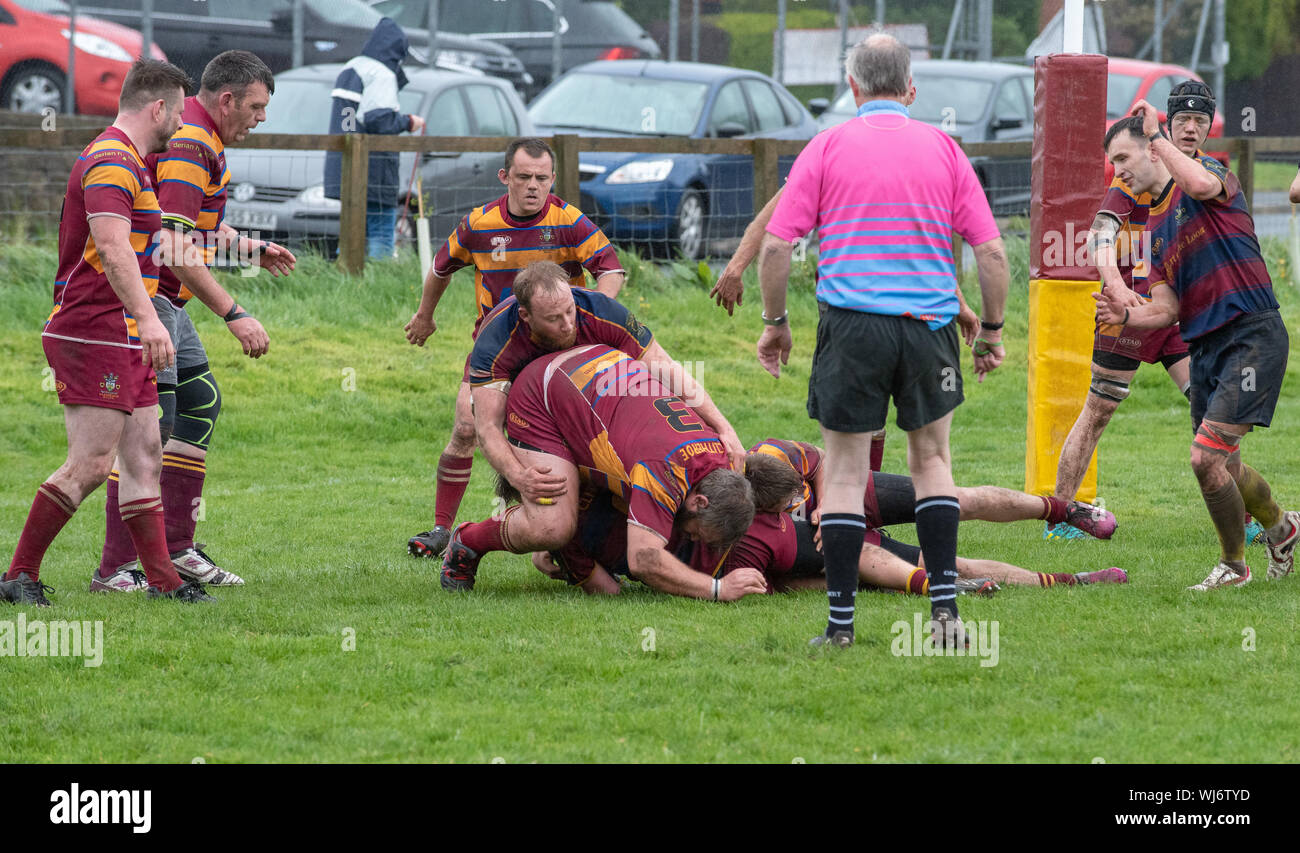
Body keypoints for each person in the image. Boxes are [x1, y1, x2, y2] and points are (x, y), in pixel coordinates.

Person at [755, 34, 1010, 648]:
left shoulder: (825, 146)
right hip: (930, 329)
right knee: (933, 464)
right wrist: (992, 331)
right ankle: (946, 618)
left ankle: (840, 626)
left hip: (851, 325)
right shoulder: (946, 149)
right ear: (911, 88)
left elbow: (774, 246)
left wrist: (775, 321)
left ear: (853, 88)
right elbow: (993, 252)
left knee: (842, 474)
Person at [2, 60, 212, 606]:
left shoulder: (135, 161)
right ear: (158, 108)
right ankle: (18, 576)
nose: (184, 125)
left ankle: (165, 583)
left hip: (118, 332)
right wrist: (148, 319)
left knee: (144, 457)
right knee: (92, 464)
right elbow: (114, 248)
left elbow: (151, 246)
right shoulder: (113, 161)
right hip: (93, 330)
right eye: (180, 114)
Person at [93, 50, 295, 593]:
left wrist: (250, 248)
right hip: (151, 300)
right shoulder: (192, 142)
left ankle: (176, 547)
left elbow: (191, 225)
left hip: (168, 303)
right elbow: (172, 245)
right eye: (255, 107)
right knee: (149, 428)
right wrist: (235, 312)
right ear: (226, 99)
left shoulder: (206, 139)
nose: (261, 118)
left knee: (197, 405)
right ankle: (117, 566)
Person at [1095, 112, 1298, 589]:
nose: (1117, 170)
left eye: (1123, 157)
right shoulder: (1153, 228)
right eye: (1112, 162)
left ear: (1150, 147)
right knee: (1225, 465)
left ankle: (1233, 566)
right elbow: (1165, 309)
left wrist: (1160, 139)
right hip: (1205, 347)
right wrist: (1126, 314)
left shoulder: (1207, 171)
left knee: (1204, 459)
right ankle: (1283, 530)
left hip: (1251, 333)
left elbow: (1203, 188)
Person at [404, 139, 625, 559]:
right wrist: (424, 317)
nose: (533, 186)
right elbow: (439, 269)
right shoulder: (479, 224)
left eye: (542, 178)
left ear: (553, 180)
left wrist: (589, 316)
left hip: (556, 350)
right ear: (505, 177)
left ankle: (575, 529)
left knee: (577, 435)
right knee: (467, 427)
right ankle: (440, 529)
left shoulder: (569, 221)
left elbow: (610, 270)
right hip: (495, 347)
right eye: (523, 177)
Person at [439, 344, 766, 600]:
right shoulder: (666, 470)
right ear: (701, 501)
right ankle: (467, 540)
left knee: (596, 538)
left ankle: (559, 542)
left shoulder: (724, 459)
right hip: (543, 394)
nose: (693, 538)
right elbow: (644, 559)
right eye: (698, 532)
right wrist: (717, 590)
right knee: (552, 527)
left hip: (595, 371)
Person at [1049, 80, 1219, 542]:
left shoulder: (1200, 175)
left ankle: (1240, 517)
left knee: (1210, 409)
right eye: (1181, 120)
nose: (1189, 129)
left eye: (1198, 121)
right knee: (1099, 408)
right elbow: (1099, 235)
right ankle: (1062, 518)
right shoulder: (1134, 178)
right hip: (1130, 312)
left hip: (1176, 314)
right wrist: (1118, 285)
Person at [463, 261, 746, 518]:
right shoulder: (494, 345)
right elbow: (487, 428)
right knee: (465, 431)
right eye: (553, 319)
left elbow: (665, 367)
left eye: (569, 311)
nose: (566, 324)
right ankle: (461, 535)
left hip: (587, 400)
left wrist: (723, 427)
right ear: (525, 315)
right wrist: (517, 475)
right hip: (528, 408)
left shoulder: (601, 311)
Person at [747, 438, 1116, 539]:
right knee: (942, 565)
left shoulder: (774, 453)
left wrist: (828, 507)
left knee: (956, 502)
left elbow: (824, 460)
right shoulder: (741, 520)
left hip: (852, 492)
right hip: (838, 547)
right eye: (791, 502)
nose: (799, 501)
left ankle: (1063, 510)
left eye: (799, 491)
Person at [324, 17, 426, 259]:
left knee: (350, 234)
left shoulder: (352, 67)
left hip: (346, 165)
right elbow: (379, 119)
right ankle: (379, 280)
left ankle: (345, 281)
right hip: (375, 170)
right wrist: (408, 122)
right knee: (381, 231)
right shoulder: (382, 74)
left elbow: (351, 122)